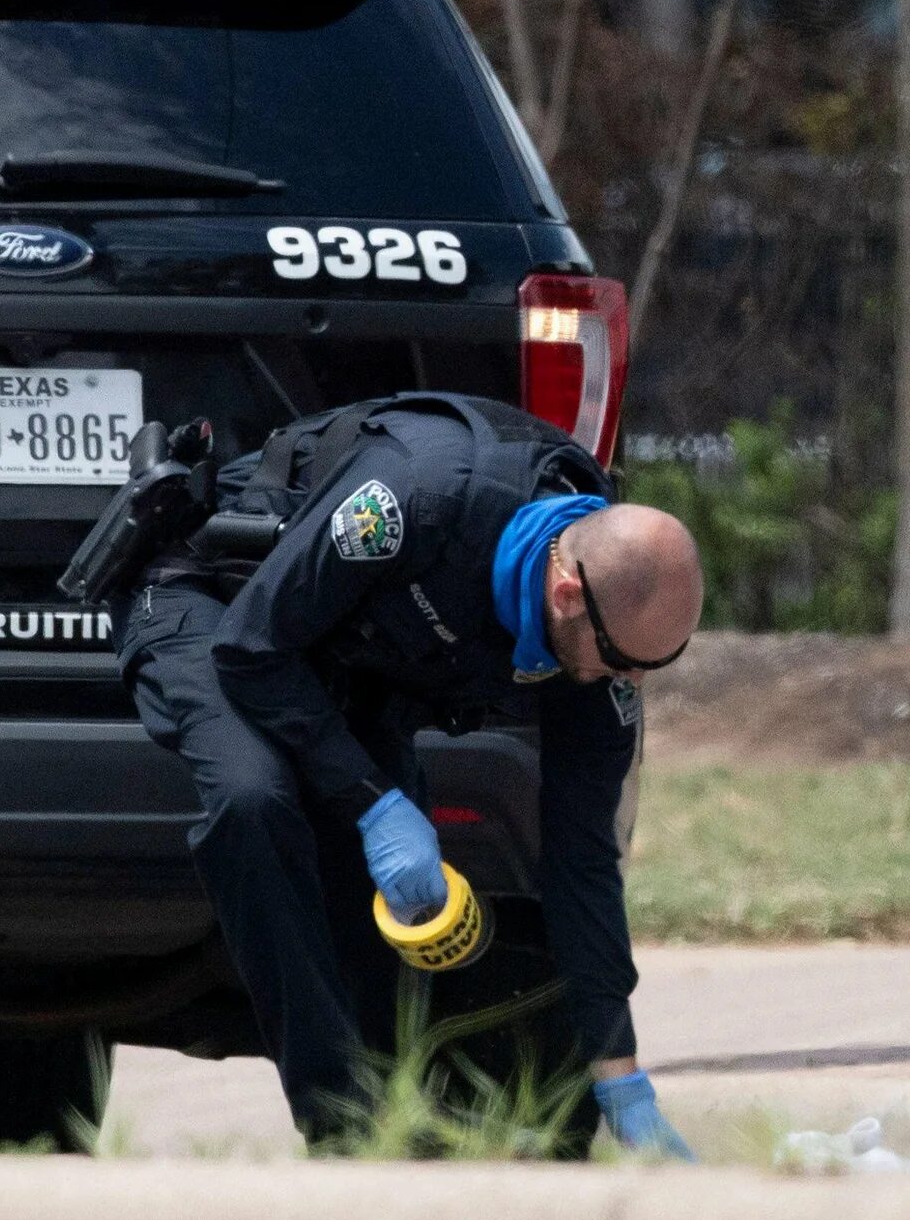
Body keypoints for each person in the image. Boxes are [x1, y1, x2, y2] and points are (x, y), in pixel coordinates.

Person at [117, 391, 704, 1155]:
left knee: (373, 893)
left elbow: (582, 858)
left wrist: (620, 1074)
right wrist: (371, 801)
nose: (624, 683)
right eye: (622, 664)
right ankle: (341, 1125)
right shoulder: (415, 499)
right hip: (216, 603)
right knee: (255, 796)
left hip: (339, 659)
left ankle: (394, 1117)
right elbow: (252, 649)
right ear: (566, 593)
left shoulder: (602, 627)